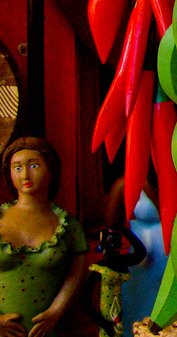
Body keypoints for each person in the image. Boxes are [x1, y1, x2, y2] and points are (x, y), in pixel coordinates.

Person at [0, 138, 88, 337]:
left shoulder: (68, 226)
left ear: (51, 169)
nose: (25, 175)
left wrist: (56, 311)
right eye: (17, 167)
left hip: (48, 331)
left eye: (34, 165)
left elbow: (74, 275)